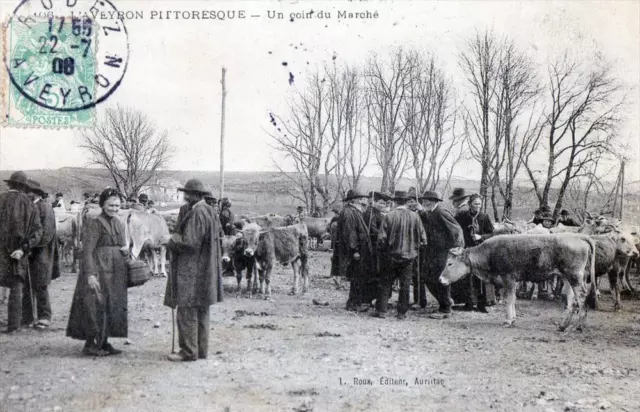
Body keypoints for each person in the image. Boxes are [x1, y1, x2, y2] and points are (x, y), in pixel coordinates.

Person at [164, 179, 223, 362]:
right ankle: (201, 350)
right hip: (205, 268)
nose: (184, 196)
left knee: (187, 309)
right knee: (202, 309)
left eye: (187, 193)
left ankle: (188, 351)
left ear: (193, 195)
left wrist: (171, 241)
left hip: (192, 269)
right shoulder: (210, 211)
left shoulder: (197, 212)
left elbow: (190, 243)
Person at [66, 188, 129, 356]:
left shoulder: (118, 222)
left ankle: (104, 341)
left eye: (117, 205)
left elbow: (121, 245)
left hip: (114, 272)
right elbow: (87, 251)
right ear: (102, 204)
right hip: (99, 270)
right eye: (111, 205)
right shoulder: (94, 222)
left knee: (110, 305)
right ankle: (91, 344)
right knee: (95, 305)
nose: (114, 209)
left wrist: (125, 251)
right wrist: (91, 275)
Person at [0, 171, 43, 333]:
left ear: (10, 184)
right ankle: (13, 325)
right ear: (24, 187)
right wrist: (23, 249)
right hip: (18, 253)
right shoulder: (30, 205)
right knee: (16, 288)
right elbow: (37, 232)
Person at [374, 191, 426, 320]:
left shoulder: (389, 216)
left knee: (385, 283)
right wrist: (415, 249)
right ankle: (402, 313)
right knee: (405, 285)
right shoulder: (415, 217)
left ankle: (382, 311)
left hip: (390, 256)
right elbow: (424, 239)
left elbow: (381, 239)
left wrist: (382, 251)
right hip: (409, 257)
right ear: (407, 202)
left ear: (395, 202)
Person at [417, 190, 464, 319]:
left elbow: (457, 229)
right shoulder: (430, 212)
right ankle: (446, 301)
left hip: (443, 252)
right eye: (423, 201)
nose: (423, 203)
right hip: (433, 252)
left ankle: (445, 308)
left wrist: (457, 247)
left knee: (441, 278)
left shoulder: (441, 212)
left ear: (433, 202)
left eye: (425, 201)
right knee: (427, 277)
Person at [23, 180, 59, 329]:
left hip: (43, 251)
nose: (26, 194)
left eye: (28, 191)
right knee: (27, 283)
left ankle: (44, 316)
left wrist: (32, 247)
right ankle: (28, 317)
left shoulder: (45, 207)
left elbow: (47, 233)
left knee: (41, 283)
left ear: (36, 193)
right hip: (31, 250)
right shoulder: (31, 207)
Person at [453, 193, 495, 313]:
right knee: (466, 276)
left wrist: (480, 236)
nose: (478, 206)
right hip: (466, 249)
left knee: (481, 276)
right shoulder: (462, 216)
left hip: (481, 251)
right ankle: (468, 302)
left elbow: (492, 234)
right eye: (475, 203)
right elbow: (454, 227)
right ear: (470, 204)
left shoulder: (484, 217)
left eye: (480, 204)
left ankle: (483, 304)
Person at [335, 189, 373, 312]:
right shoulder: (348, 213)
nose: (363, 200)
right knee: (356, 278)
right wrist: (354, 250)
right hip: (355, 253)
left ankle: (355, 302)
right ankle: (353, 304)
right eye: (361, 198)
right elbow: (350, 234)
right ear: (354, 200)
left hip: (359, 251)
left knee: (358, 278)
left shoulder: (353, 211)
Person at [362, 191, 391, 306]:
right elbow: (373, 230)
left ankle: (373, 298)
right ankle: (368, 298)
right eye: (380, 203)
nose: (382, 205)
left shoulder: (378, 213)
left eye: (384, 204)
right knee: (372, 272)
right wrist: (385, 234)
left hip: (378, 246)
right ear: (373, 202)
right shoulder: (370, 214)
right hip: (372, 247)